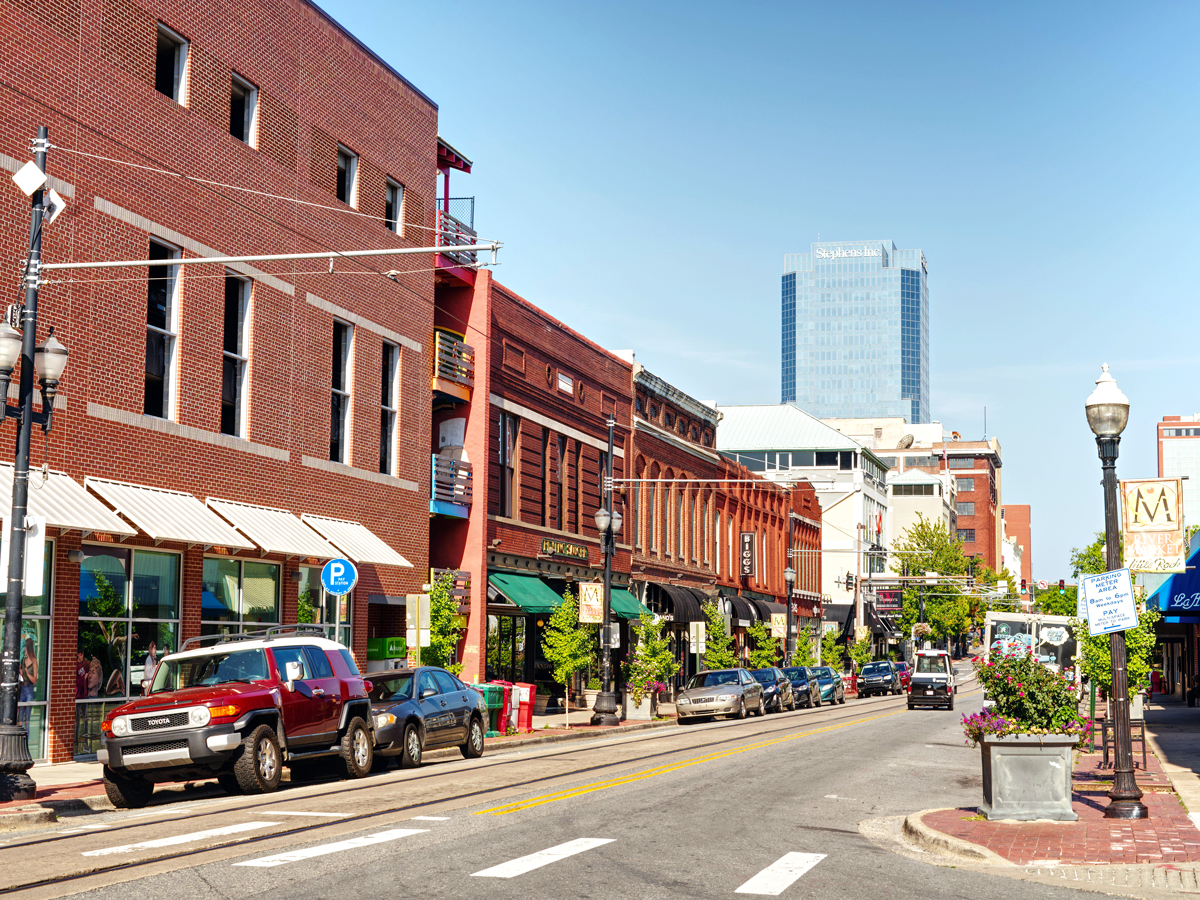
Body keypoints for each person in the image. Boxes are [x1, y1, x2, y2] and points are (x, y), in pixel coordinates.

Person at [18, 638, 36, 724]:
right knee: (20, 716)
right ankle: (20, 736)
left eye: (25, 646)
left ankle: (27, 737)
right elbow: (22, 676)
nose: (24, 648)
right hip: (23, 687)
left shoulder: (34, 661)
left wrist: (28, 674)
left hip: (29, 688)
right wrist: (21, 673)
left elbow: (35, 680)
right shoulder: (23, 660)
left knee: (27, 718)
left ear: (28, 647)